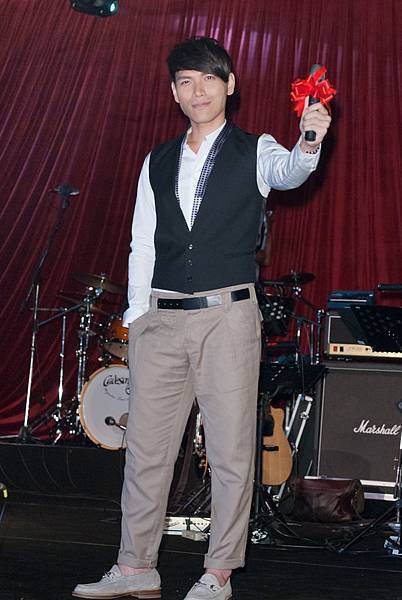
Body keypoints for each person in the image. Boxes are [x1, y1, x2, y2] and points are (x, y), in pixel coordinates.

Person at [73, 36, 331, 600]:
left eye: (209, 79)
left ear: (229, 85)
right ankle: (135, 566)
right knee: (146, 451)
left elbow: (289, 172)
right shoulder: (157, 160)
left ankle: (218, 572)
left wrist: (309, 139)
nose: (198, 91)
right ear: (174, 93)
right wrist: (138, 317)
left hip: (226, 319)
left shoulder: (255, 149)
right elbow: (143, 242)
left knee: (232, 451)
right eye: (186, 82)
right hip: (161, 321)